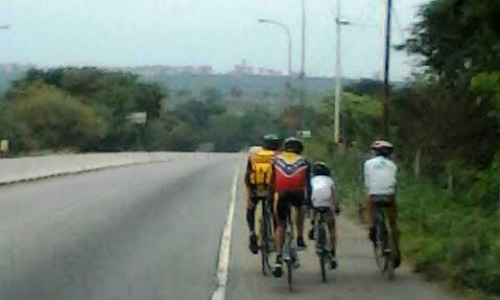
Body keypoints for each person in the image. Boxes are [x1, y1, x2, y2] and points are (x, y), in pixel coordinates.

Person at [270, 137, 311, 278]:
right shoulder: (304, 160)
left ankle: (278, 259)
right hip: (297, 192)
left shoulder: (276, 160)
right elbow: (308, 184)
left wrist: (271, 200)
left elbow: (272, 182)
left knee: (280, 224)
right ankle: (299, 237)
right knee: (299, 209)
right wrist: (309, 203)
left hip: (281, 193)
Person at [363, 140, 400, 267]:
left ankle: (372, 225)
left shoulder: (368, 163)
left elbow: (368, 184)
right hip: (389, 197)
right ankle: (397, 249)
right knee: (393, 222)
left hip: (375, 196)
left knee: (369, 198)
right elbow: (394, 184)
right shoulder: (393, 165)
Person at [244, 134, 281, 254]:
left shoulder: (254, 156)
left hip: (256, 189)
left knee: (250, 209)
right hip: (272, 191)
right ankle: (277, 236)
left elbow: (247, 175)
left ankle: (252, 233)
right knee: (276, 213)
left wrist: (250, 192)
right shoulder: (279, 157)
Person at [308, 162, 340, 270]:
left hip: (315, 203)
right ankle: (333, 253)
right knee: (331, 226)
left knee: (314, 208)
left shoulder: (312, 180)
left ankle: (313, 225)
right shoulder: (330, 181)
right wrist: (336, 207)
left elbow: (309, 194)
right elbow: (334, 195)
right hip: (326, 204)